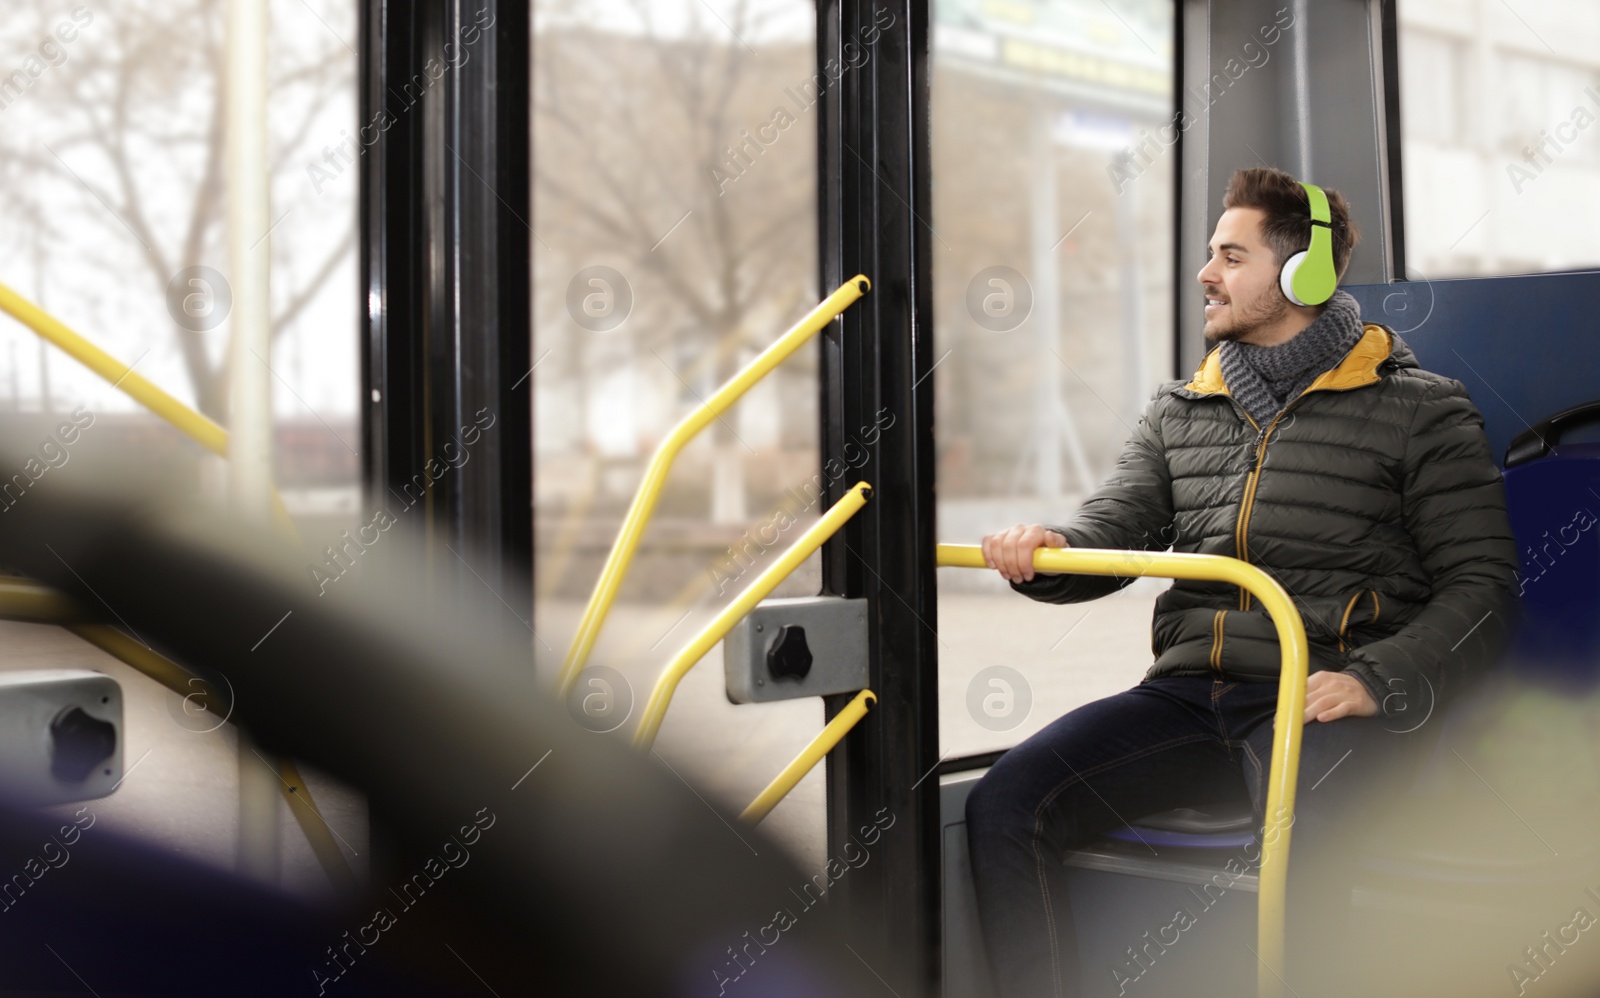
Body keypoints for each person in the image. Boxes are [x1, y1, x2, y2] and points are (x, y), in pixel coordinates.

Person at [964, 166, 1518, 998]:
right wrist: (1048, 548)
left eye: (1231, 255)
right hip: (1188, 699)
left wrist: (1378, 678)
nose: (1206, 274)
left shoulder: (1420, 410)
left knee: (1306, 842)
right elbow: (1113, 528)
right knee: (1006, 805)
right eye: (1210, 254)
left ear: (1304, 274)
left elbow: (1483, 587)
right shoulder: (1182, 409)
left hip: (1320, 692)